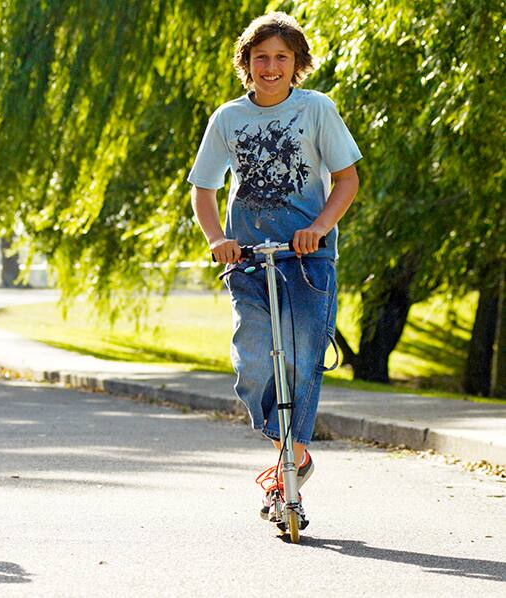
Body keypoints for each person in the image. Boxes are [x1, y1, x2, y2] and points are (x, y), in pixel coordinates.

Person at [188, 12, 361, 525]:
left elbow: (347, 180)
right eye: (261, 56)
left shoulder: (316, 109)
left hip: (308, 260)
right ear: (247, 62)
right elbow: (204, 187)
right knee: (255, 362)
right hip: (248, 260)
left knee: (305, 359)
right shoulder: (228, 119)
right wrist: (218, 237)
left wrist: (320, 227)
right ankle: (291, 450)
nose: (270, 66)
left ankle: (291, 462)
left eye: (281, 57)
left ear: (296, 63)